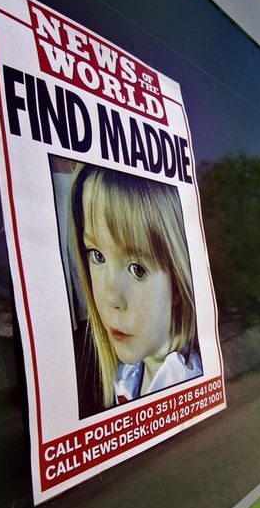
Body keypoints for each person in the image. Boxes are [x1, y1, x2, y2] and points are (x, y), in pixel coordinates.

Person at [70, 163, 202, 408]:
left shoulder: (184, 385)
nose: (112, 299)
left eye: (137, 269)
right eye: (97, 255)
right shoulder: (127, 376)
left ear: (177, 284)